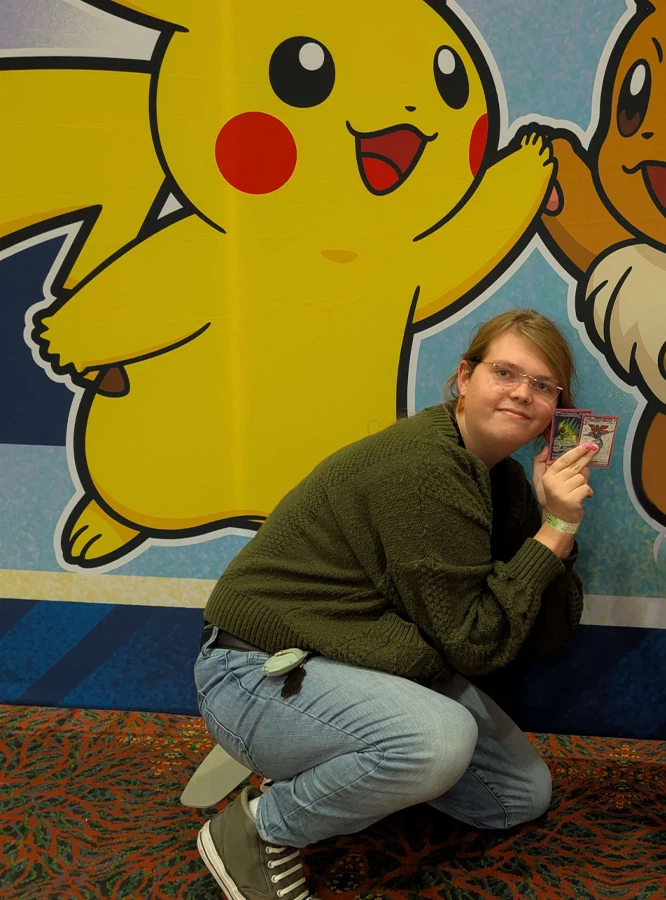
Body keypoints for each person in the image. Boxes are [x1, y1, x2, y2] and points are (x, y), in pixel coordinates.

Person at [194, 309, 597, 900]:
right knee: (438, 742)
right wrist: (555, 532)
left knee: (516, 797)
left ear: (556, 412)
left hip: (365, 660)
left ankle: (324, 750)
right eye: (505, 372)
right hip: (256, 665)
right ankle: (259, 829)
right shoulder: (423, 467)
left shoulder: (504, 483)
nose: (521, 393)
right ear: (464, 377)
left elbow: (545, 631)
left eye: (542, 385)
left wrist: (553, 525)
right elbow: (478, 644)